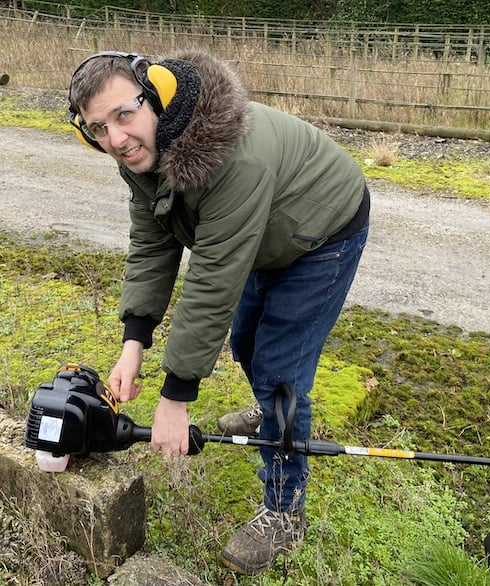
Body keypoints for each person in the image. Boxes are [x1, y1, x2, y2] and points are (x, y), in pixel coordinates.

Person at [68, 48, 369, 575]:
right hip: (263, 232)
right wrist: (133, 343)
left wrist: (176, 395)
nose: (115, 139)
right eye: (98, 128)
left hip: (322, 231)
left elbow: (213, 275)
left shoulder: (232, 157)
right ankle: (268, 408)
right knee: (247, 342)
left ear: (156, 97)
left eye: (124, 115)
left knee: (280, 370)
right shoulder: (143, 152)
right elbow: (152, 242)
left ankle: (283, 509)